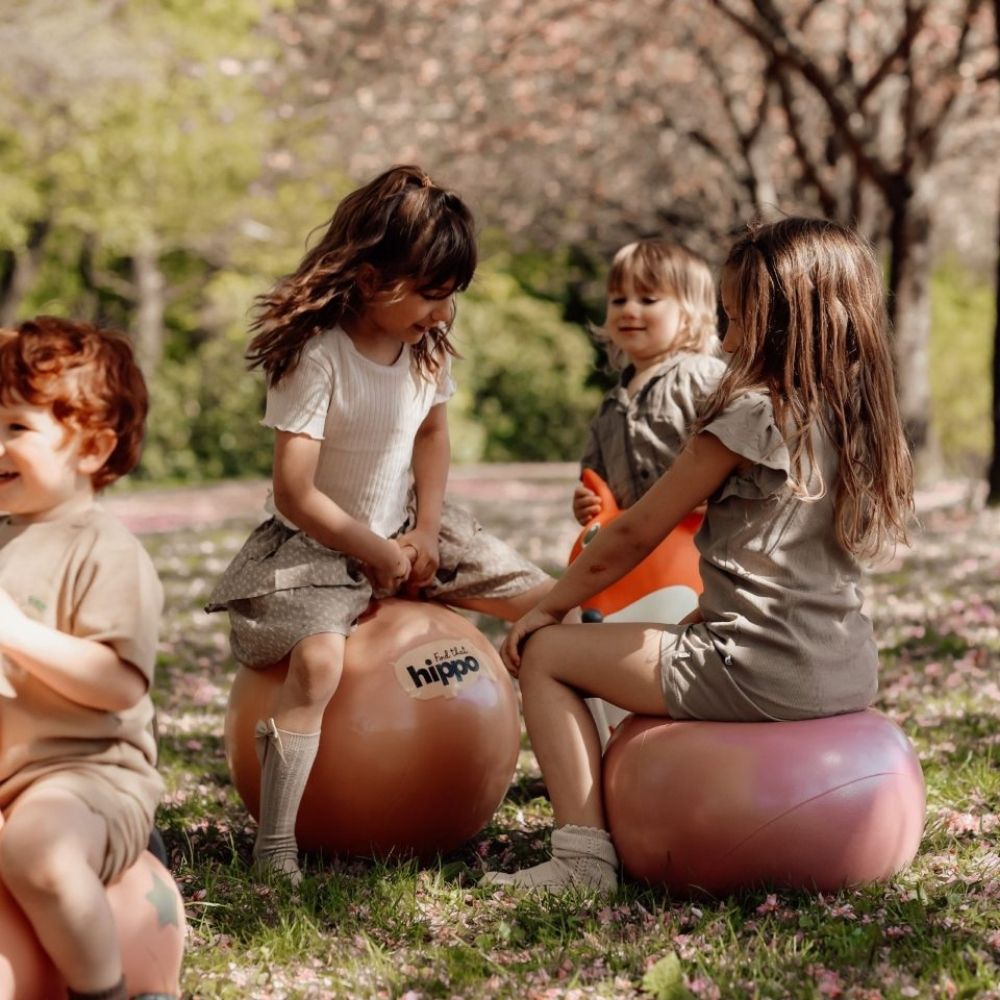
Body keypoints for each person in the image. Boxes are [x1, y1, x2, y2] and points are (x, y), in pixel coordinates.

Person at [482, 218, 914, 893]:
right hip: (846, 669)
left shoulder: (752, 413)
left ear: (775, 324)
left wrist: (547, 609)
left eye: (739, 316)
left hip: (757, 670)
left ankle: (580, 860)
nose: (730, 333)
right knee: (657, 634)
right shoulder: (854, 414)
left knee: (548, 657)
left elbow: (635, 531)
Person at [206, 164, 552, 884]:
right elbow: (296, 492)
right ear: (369, 279)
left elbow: (431, 436)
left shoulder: (424, 348)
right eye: (430, 294)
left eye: (451, 296)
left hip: (406, 523)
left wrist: (424, 534)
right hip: (317, 540)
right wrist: (368, 550)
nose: (443, 313)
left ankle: (585, 793)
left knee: (552, 604)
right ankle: (277, 844)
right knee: (319, 662)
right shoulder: (317, 357)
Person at [0, 317, 164, 1000]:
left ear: (93, 449)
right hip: (10, 779)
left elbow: (117, 685)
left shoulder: (104, 550)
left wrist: (13, 631)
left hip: (90, 776)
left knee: (39, 845)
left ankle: (106, 992)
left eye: (15, 427)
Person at [573, 239, 725, 526]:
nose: (629, 309)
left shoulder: (703, 376)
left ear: (689, 313)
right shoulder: (610, 407)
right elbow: (595, 479)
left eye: (648, 300)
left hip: (696, 549)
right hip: (636, 554)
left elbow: (738, 452)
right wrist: (587, 502)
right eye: (618, 300)